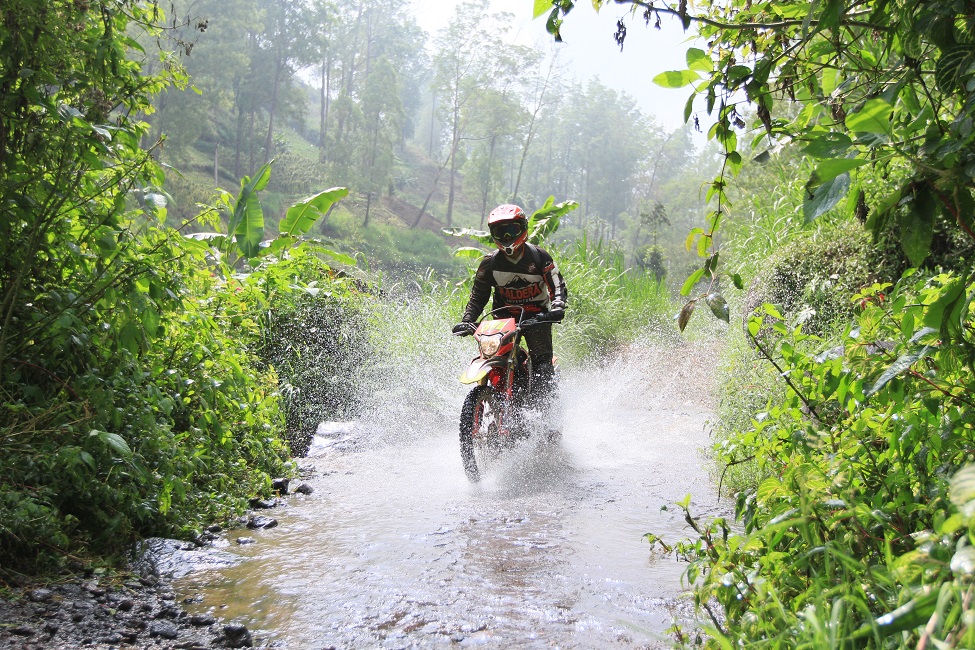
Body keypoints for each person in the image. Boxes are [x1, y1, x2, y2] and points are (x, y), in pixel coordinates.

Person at [452, 203, 567, 403]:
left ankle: (546, 417)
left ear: (523, 228)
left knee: (542, 365)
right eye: (500, 232)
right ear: (493, 234)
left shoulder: (539, 257)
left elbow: (557, 286)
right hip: (502, 319)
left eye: (512, 230)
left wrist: (557, 306)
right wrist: (468, 320)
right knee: (492, 357)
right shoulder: (489, 264)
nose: (507, 237)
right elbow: (478, 297)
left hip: (537, 316)